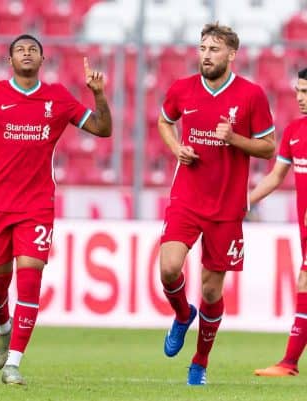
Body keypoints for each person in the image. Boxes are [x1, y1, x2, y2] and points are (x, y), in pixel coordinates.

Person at [0, 34, 112, 385]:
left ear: (42, 61)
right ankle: (3, 328)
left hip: (37, 205)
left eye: (33, 50)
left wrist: (99, 94)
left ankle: (14, 362)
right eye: (20, 49)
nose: (27, 53)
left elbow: (102, 129)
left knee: (30, 282)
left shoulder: (58, 97)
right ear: (9, 60)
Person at [157, 23, 276, 385]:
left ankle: (200, 362)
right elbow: (165, 120)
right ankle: (181, 315)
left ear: (231, 55)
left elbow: (269, 146)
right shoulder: (182, 89)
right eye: (203, 48)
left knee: (211, 290)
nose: (206, 55)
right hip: (187, 199)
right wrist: (177, 148)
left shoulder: (251, 95)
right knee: (169, 268)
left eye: (214, 49)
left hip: (226, 207)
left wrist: (235, 138)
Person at [252, 68, 307, 377]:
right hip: (304, 231)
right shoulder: (295, 131)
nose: (299, 97)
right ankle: (289, 362)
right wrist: (246, 202)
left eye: (306, 92)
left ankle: (289, 362)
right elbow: (275, 176)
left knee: (305, 283)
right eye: (298, 91)